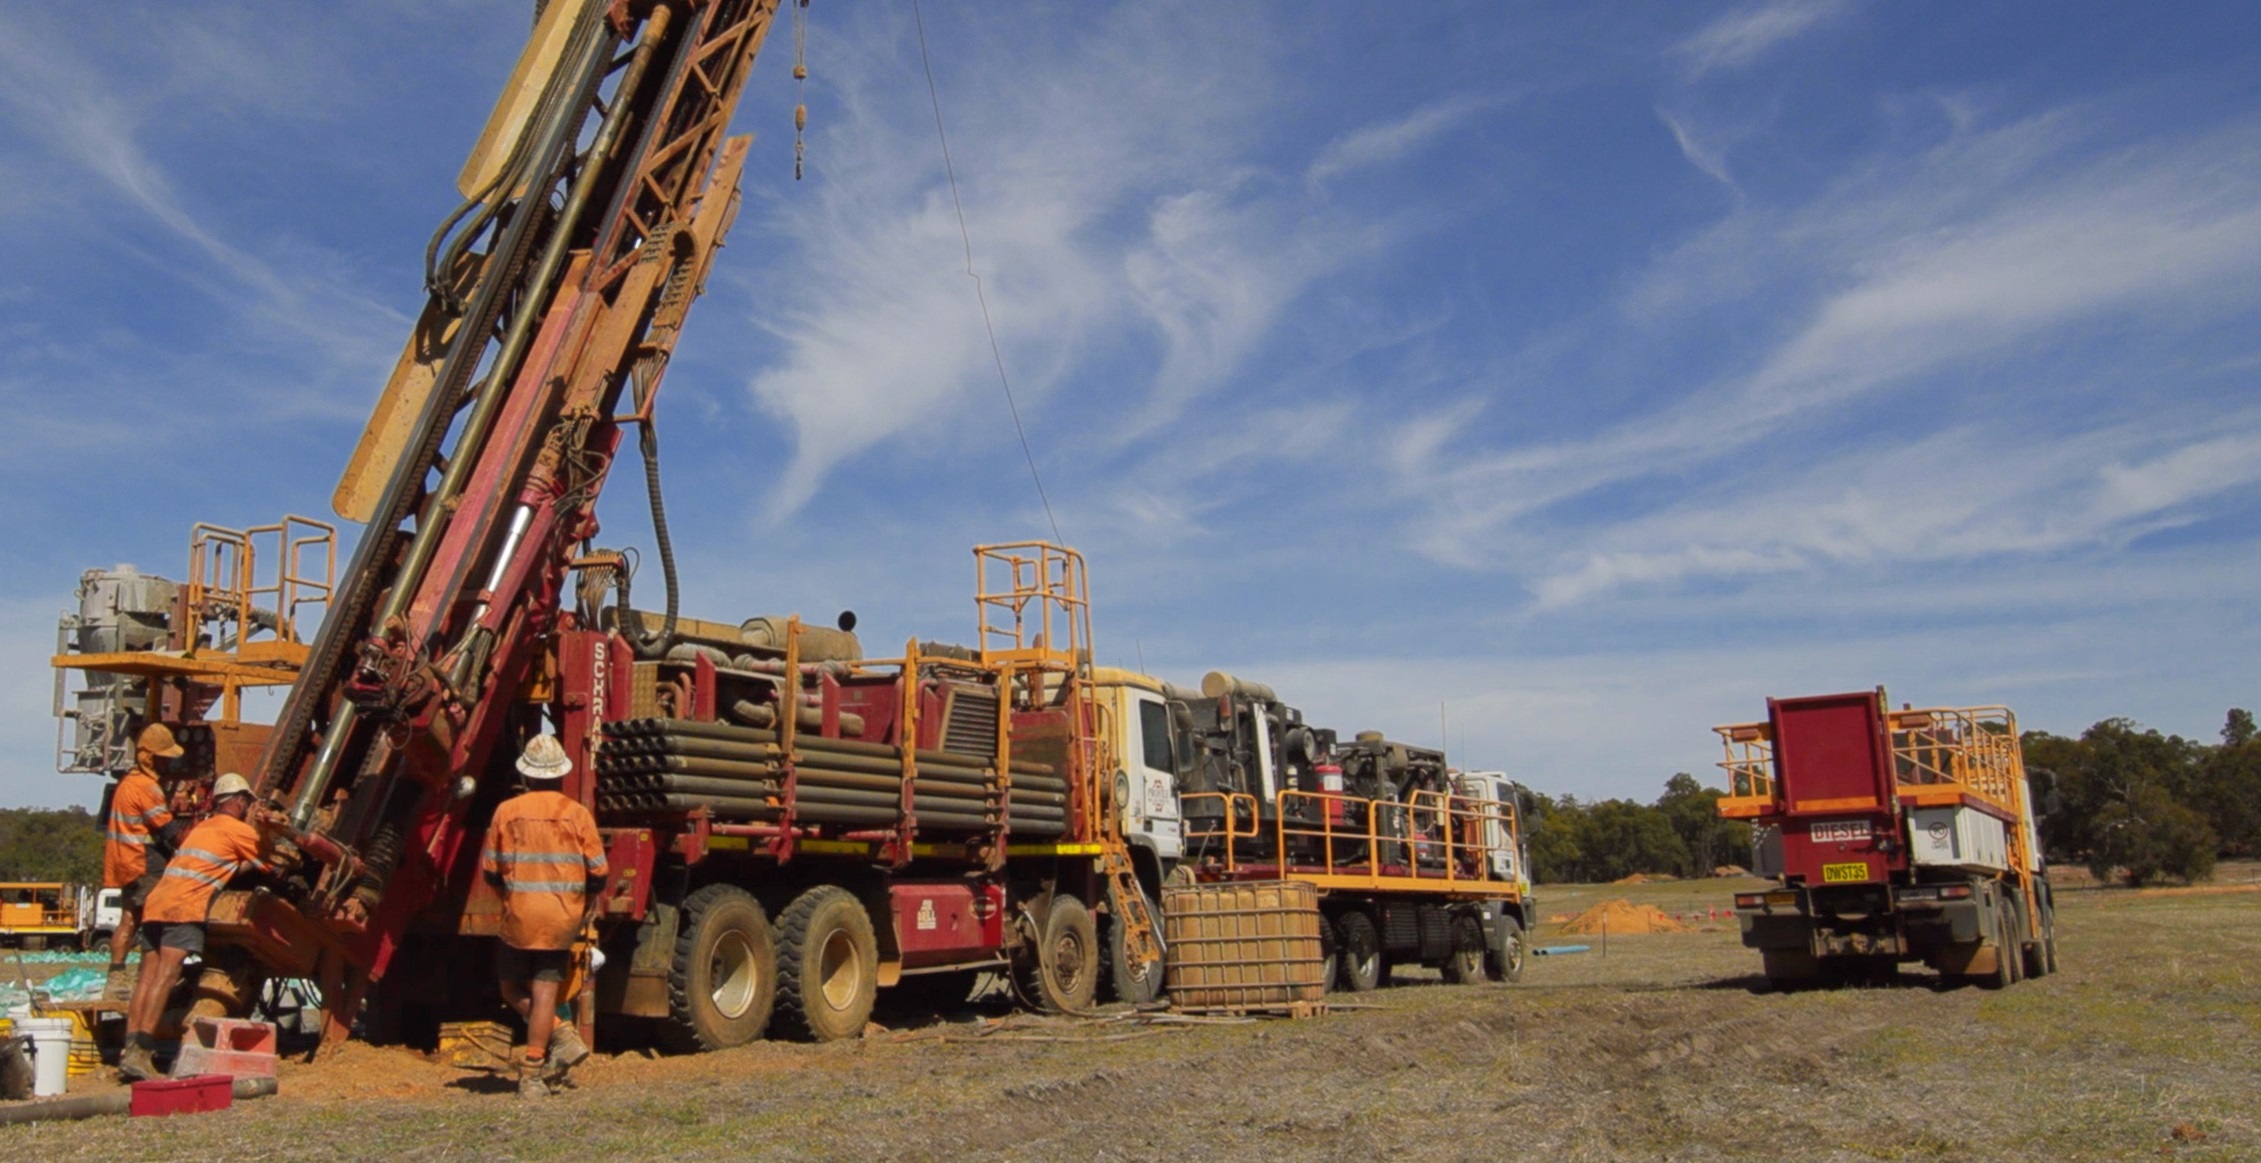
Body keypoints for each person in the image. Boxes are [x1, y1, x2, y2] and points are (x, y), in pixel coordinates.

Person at [117, 772, 274, 1082]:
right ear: (240, 802)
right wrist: (261, 826)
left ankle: (129, 1049)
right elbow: (268, 860)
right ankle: (143, 1053)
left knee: (146, 979)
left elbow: (227, 862)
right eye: (249, 804)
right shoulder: (237, 830)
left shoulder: (203, 828)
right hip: (184, 907)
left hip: (157, 901)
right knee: (167, 974)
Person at [481, 733, 607, 1097]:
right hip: (561, 919)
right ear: (560, 774)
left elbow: (492, 871)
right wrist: (581, 906)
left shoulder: (507, 811)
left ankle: (561, 1036)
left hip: (519, 917)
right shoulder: (576, 814)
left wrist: (511, 896)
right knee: (545, 991)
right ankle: (534, 1075)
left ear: (528, 774)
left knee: (510, 988)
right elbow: (598, 872)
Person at [102, 724, 188, 1003]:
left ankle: (116, 978)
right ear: (150, 757)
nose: (168, 762)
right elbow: (170, 832)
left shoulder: (128, 782)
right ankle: (148, 980)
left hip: (126, 859)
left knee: (130, 917)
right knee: (156, 920)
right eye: (164, 757)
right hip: (143, 860)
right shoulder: (146, 787)